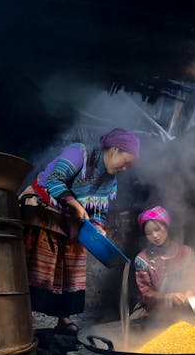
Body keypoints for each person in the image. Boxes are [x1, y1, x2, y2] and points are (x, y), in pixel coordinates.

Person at [19, 128, 140, 336]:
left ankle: (64, 319)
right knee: (38, 266)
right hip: (43, 212)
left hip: (72, 223)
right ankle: (21, 317)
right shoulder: (79, 153)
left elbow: (99, 210)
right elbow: (54, 180)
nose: (125, 168)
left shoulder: (110, 181)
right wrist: (74, 204)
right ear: (114, 150)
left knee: (72, 267)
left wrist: (98, 227)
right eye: (126, 161)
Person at [131, 205, 195, 321]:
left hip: (186, 308)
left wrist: (191, 292)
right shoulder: (142, 259)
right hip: (154, 313)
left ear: (166, 226)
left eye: (157, 229)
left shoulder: (186, 252)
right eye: (148, 233)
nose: (154, 235)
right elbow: (146, 293)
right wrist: (169, 298)